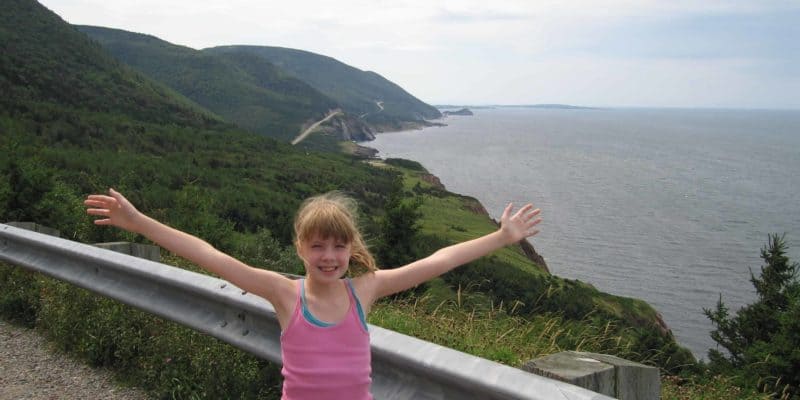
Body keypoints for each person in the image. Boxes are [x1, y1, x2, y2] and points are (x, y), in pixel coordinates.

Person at [84, 188, 542, 400]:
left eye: (339, 246)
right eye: (318, 245)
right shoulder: (285, 294)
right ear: (301, 248)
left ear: (351, 249)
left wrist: (501, 238)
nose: (329, 256)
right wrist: (139, 222)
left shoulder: (367, 290)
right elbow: (211, 256)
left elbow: (439, 261)